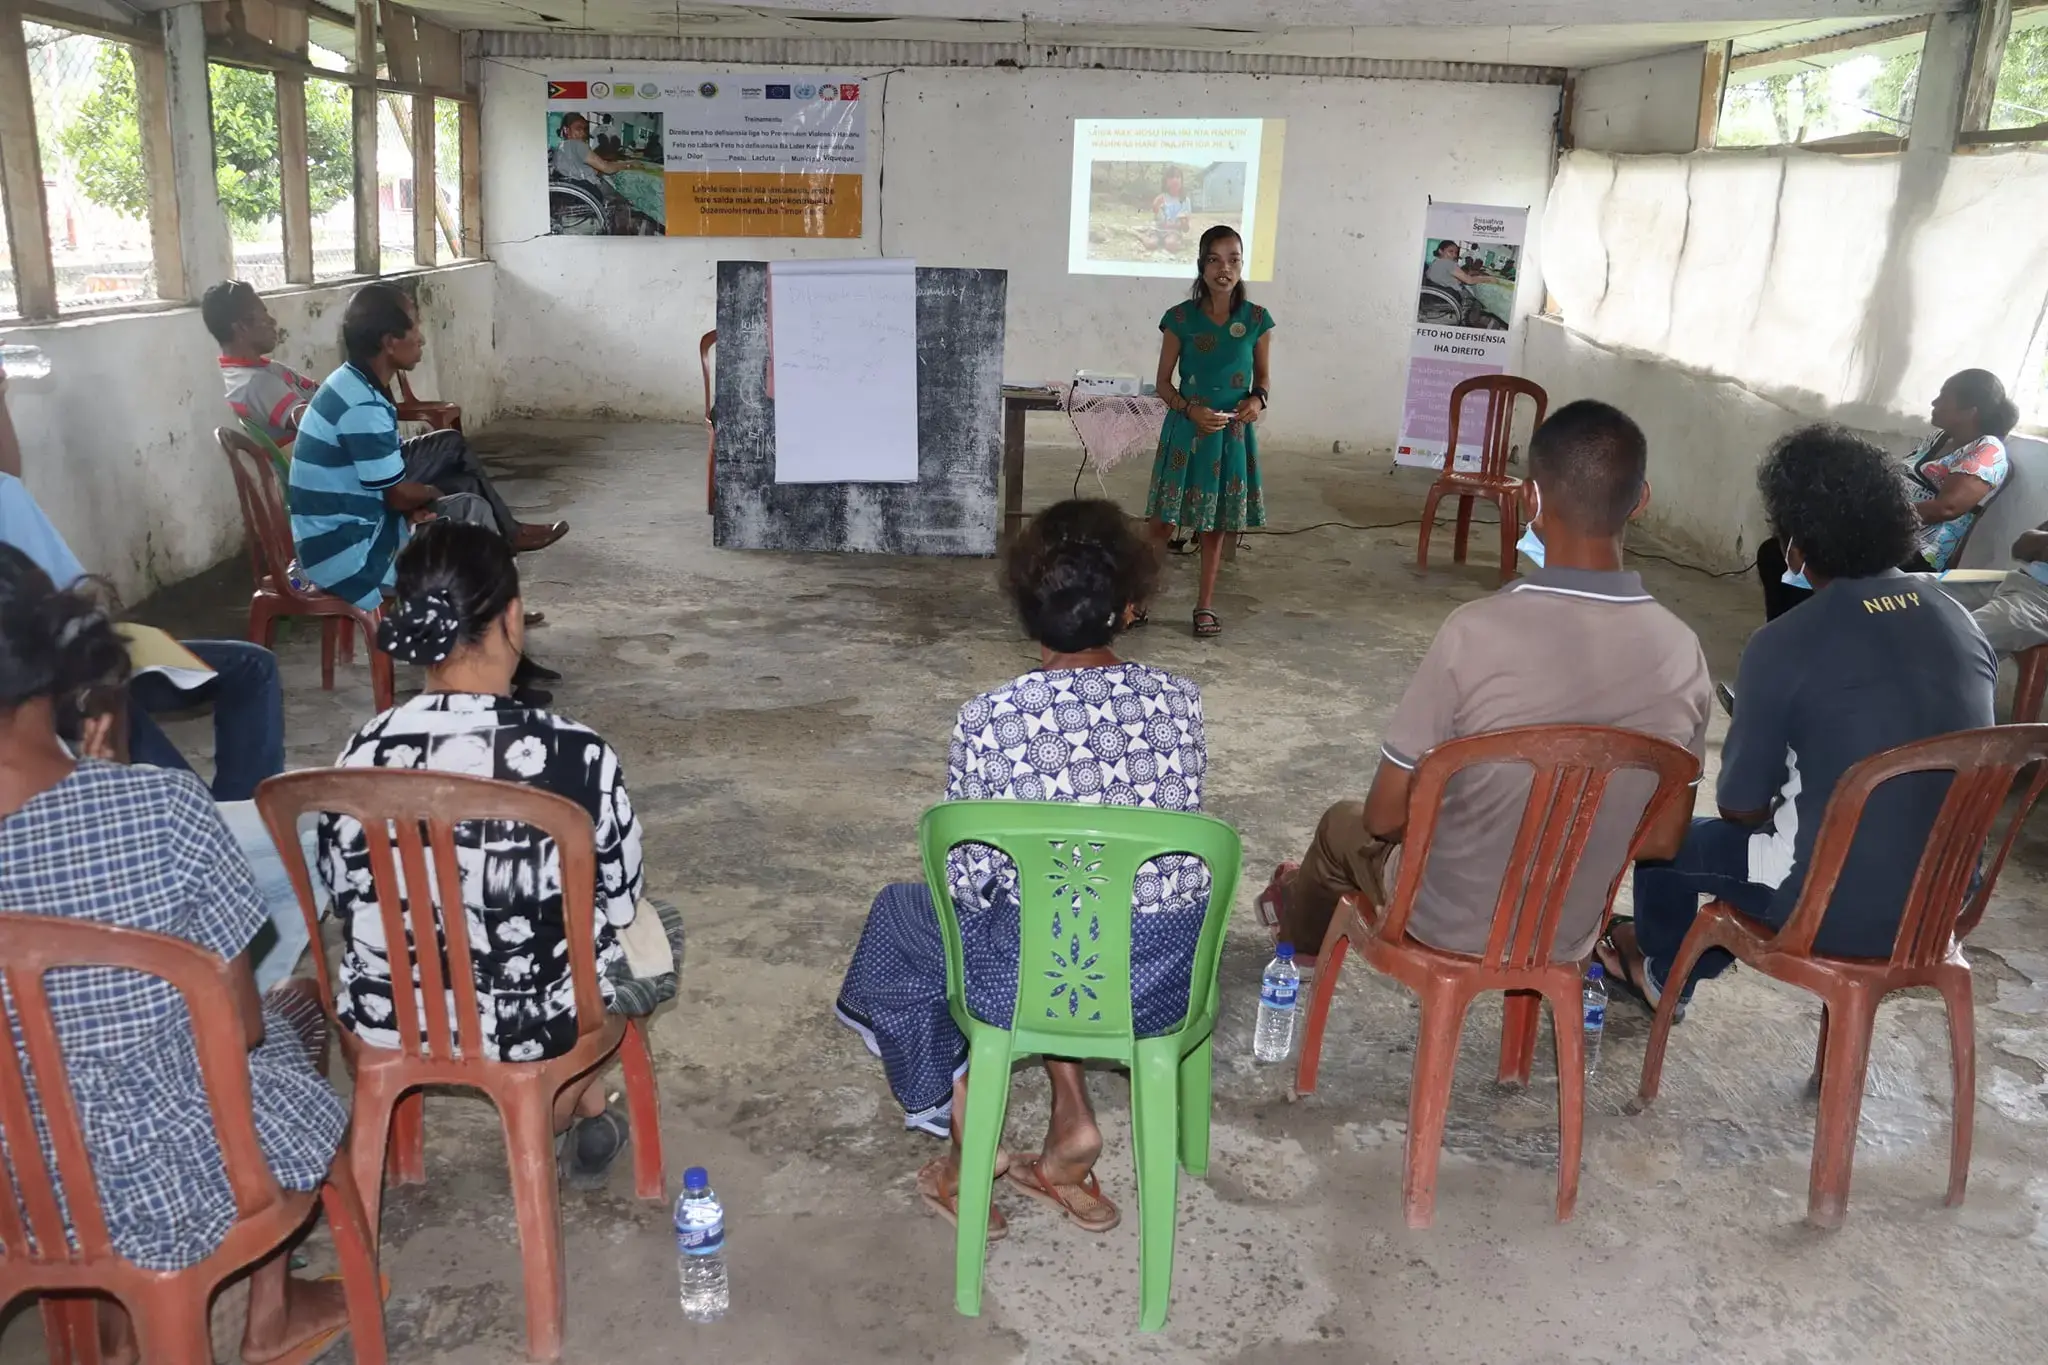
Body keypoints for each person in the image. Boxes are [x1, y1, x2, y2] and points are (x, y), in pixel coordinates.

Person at [0, 544, 355, 1365]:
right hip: (169, 1184)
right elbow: (239, 1027)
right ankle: (266, 1308)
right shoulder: (157, 808)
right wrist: (106, 777)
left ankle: (118, 1326)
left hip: (18, 1187)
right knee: (293, 1011)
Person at [836, 500, 1206, 1239]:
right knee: (1074, 916)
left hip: (1034, 975)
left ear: (1027, 611)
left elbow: (966, 885)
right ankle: (1070, 1117)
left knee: (905, 921)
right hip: (1162, 978)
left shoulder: (993, 718)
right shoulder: (1181, 704)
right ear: (1129, 607)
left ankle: (966, 1126)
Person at [1254, 401, 1712, 966]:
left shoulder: (1474, 631)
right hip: (1568, 928)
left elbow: (1384, 817)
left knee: (1340, 828)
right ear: (1640, 501)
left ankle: (1296, 955)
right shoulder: (1683, 650)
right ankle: (1295, 901)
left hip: (1442, 917)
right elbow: (1662, 840)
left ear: (1530, 499)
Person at [319, 520, 682, 1185]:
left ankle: (569, 1104)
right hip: (533, 1022)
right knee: (652, 937)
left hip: (391, 1013)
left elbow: (342, 891)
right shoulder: (576, 755)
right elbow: (623, 898)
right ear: (512, 619)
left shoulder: (360, 752)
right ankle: (567, 1102)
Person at [1602, 425, 1997, 1013]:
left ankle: (1663, 969)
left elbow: (1741, 806)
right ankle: (1673, 945)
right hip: (1945, 902)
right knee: (1778, 841)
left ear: (1794, 541)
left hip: (1833, 908)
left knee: (1664, 840)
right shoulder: (1959, 619)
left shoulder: (1785, 642)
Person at [0, 368, 285, 805]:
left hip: (71, 660)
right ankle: (207, 815)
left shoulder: (6, 493)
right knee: (114, 694)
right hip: (50, 677)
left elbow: (10, 476)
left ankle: (233, 813)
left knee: (250, 667)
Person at [291, 283, 564, 700]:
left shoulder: (355, 384)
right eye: (415, 327)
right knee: (470, 530)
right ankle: (493, 663)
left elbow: (387, 488)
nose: (421, 338)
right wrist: (431, 494)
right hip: (348, 552)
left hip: (357, 527)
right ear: (389, 341)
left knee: (468, 505)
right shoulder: (361, 404)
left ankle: (499, 653)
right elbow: (398, 496)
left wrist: (420, 499)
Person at [1758, 369, 2018, 620]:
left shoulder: (1987, 450)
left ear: (1969, 410)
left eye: (1943, 396)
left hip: (1911, 549)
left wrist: (1871, 520)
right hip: (1877, 533)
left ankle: (1806, 638)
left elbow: (1947, 508)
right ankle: (1791, 634)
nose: (1934, 402)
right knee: (1781, 551)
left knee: (1809, 559)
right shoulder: (1939, 438)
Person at [1146, 224, 1274, 638]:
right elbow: (1163, 384)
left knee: (1214, 524)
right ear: (1201, 265)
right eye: (1215, 259)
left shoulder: (1256, 320)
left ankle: (1204, 604)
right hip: (1186, 430)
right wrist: (1190, 409)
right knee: (1163, 522)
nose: (1225, 268)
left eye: (1234, 259)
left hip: (1230, 436)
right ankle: (1139, 600)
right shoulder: (1179, 319)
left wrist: (1256, 402)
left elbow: (1263, 383)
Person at [203, 279, 320, 453]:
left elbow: (320, 392)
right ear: (242, 326)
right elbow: (310, 421)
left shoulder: (254, 370)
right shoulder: (257, 383)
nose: (272, 322)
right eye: (264, 315)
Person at [552, 113, 659, 235]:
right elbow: (607, 168)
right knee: (624, 199)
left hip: (569, 195)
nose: (583, 133)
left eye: (585, 129)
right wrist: (629, 164)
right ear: (566, 130)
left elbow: (579, 168)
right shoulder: (577, 145)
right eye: (578, 128)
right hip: (585, 194)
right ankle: (622, 235)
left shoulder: (561, 147)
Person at [1971, 517, 2048, 658]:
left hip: (2041, 603)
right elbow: (2019, 550)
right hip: (2019, 578)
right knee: (1922, 588)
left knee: (1962, 634)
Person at [1135, 167, 1193, 254]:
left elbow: (1186, 229)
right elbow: (1157, 218)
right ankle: (1142, 236)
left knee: (1170, 244)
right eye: (1171, 178)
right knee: (1151, 244)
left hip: (1174, 232)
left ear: (1182, 181)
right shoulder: (1161, 198)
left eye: (1177, 177)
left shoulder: (1185, 201)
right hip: (1158, 230)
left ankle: (1175, 243)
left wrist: (1184, 223)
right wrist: (1156, 206)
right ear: (1165, 182)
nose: (1174, 180)